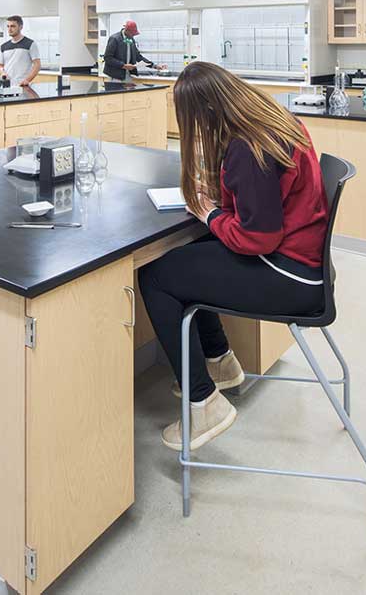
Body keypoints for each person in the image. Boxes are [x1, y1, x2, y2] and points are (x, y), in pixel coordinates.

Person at [138, 62, 329, 451]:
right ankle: (219, 361)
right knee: (187, 257)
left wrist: (208, 212)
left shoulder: (248, 147)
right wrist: (220, 198)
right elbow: (264, 199)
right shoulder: (274, 121)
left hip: (288, 276)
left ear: (207, 111)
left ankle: (203, 402)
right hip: (305, 264)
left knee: (157, 276)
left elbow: (257, 237)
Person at [0, 15, 40, 87]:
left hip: (22, 86)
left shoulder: (30, 44)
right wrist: (2, 73)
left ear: (21, 27)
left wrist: (27, 80)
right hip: (7, 86)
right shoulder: (3, 46)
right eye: (8, 26)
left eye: (13, 26)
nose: (9, 29)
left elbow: (37, 65)